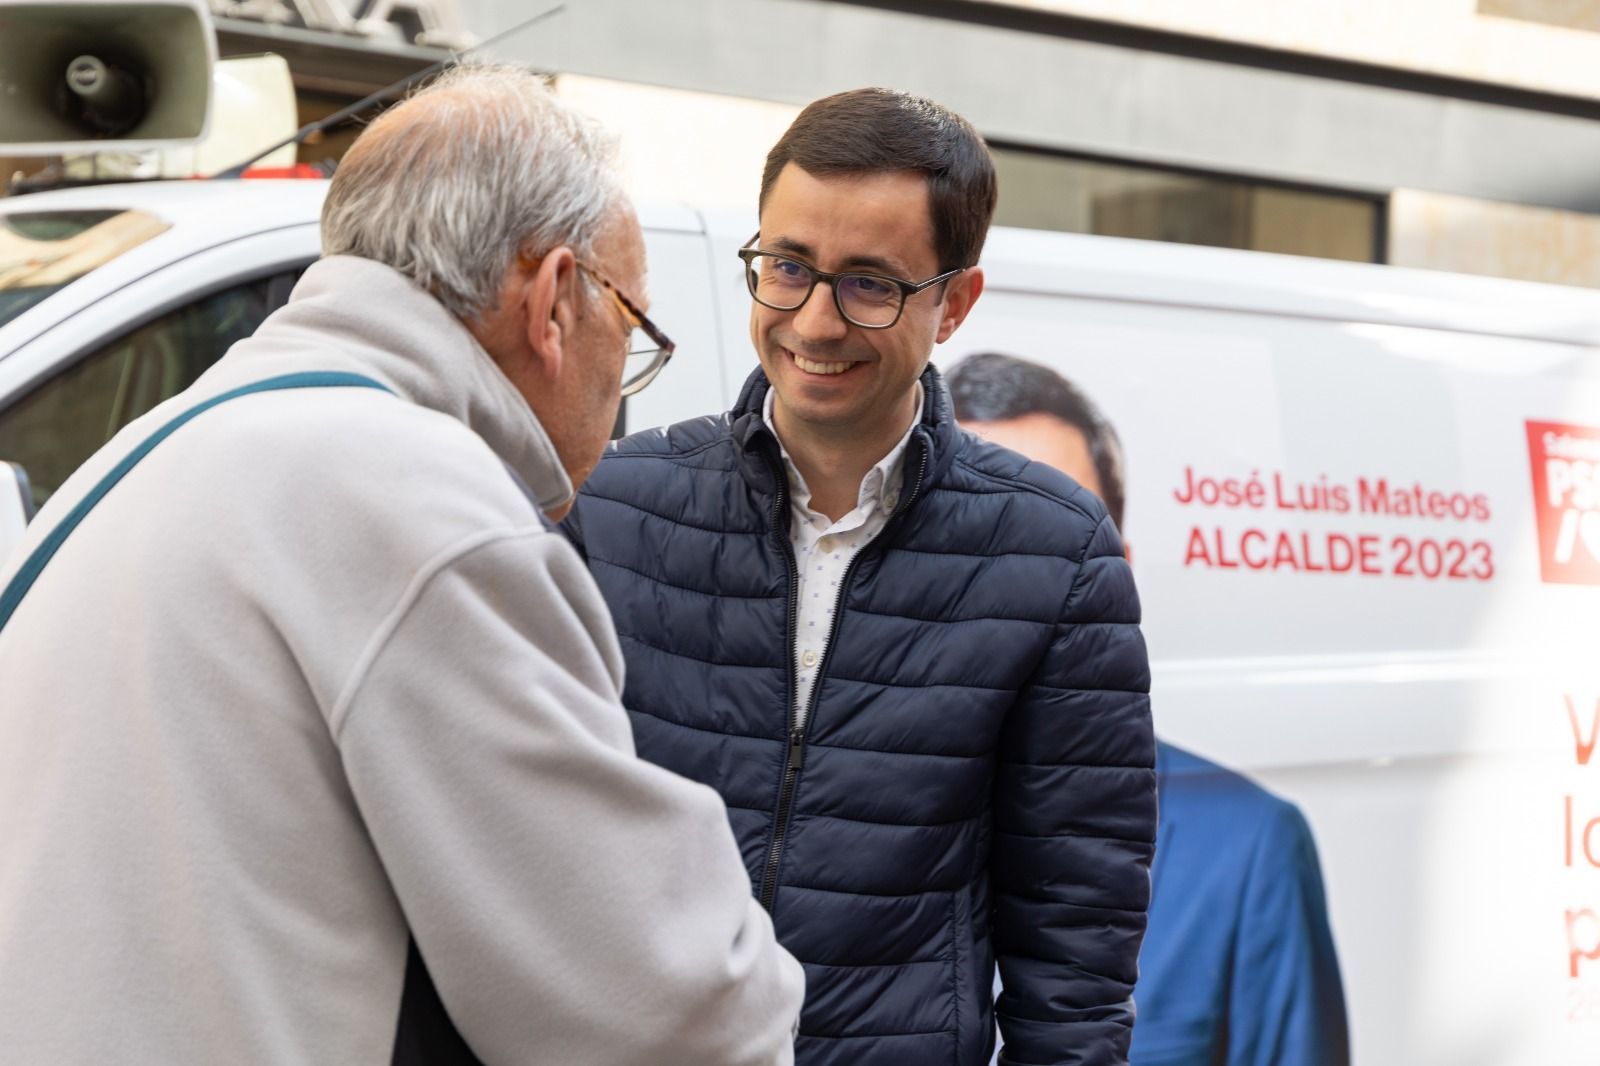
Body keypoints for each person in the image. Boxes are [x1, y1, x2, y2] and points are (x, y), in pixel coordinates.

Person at [0, 65, 803, 1066]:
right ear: (554, 300)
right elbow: (664, 1006)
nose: (622, 381)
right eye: (632, 328)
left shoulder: (147, 448)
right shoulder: (415, 493)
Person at [561, 88, 1156, 1066]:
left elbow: (1075, 952)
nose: (814, 321)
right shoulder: (611, 506)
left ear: (954, 303)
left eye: (869, 284)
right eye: (788, 268)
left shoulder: (1055, 554)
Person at [948, 351, 1351, 1066]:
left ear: (1118, 577)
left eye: (1052, 540)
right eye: (962, 538)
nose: (1003, 583)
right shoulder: (810, 827)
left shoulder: (1243, 850)